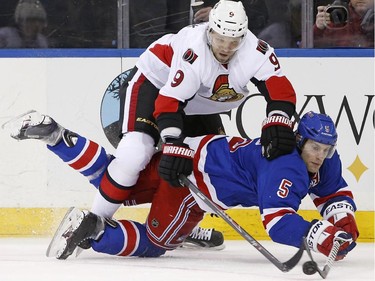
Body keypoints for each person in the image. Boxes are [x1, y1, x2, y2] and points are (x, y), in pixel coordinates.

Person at [6, 110, 359, 260]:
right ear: (299, 141)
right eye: (314, 148)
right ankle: (95, 233)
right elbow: (278, 222)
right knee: (157, 243)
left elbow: (333, 191)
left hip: (186, 152)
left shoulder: (322, 158)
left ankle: (55, 135)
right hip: (194, 188)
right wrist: (317, 235)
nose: (320, 156)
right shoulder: (286, 166)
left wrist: (343, 222)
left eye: (326, 149)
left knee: (115, 181)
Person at [92, 0, 296, 245]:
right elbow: (170, 102)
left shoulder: (256, 50)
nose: (226, 47)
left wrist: (279, 119)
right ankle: (94, 221)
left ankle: (184, 226)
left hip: (196, 101)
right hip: (155, 85)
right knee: (137, 152)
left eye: (234, 42)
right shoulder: (193, 50)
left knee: (208, 163)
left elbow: (280, 90)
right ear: (210, 30)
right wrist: (172, 142)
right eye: (220, 39)